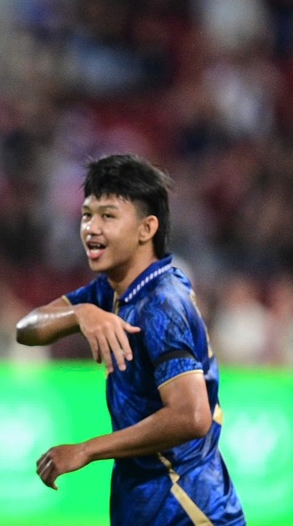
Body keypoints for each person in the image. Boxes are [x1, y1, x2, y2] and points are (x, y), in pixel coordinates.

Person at [15, 154, 245, 525]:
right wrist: (79, 314)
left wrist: (86, 450)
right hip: (145, 503)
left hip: (185, 507)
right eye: (87, 215)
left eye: (108, 216)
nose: (91, 228)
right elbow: (27, 328)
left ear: (146, 228)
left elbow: (192, 416)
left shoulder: (162, 303)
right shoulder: (112, 291)